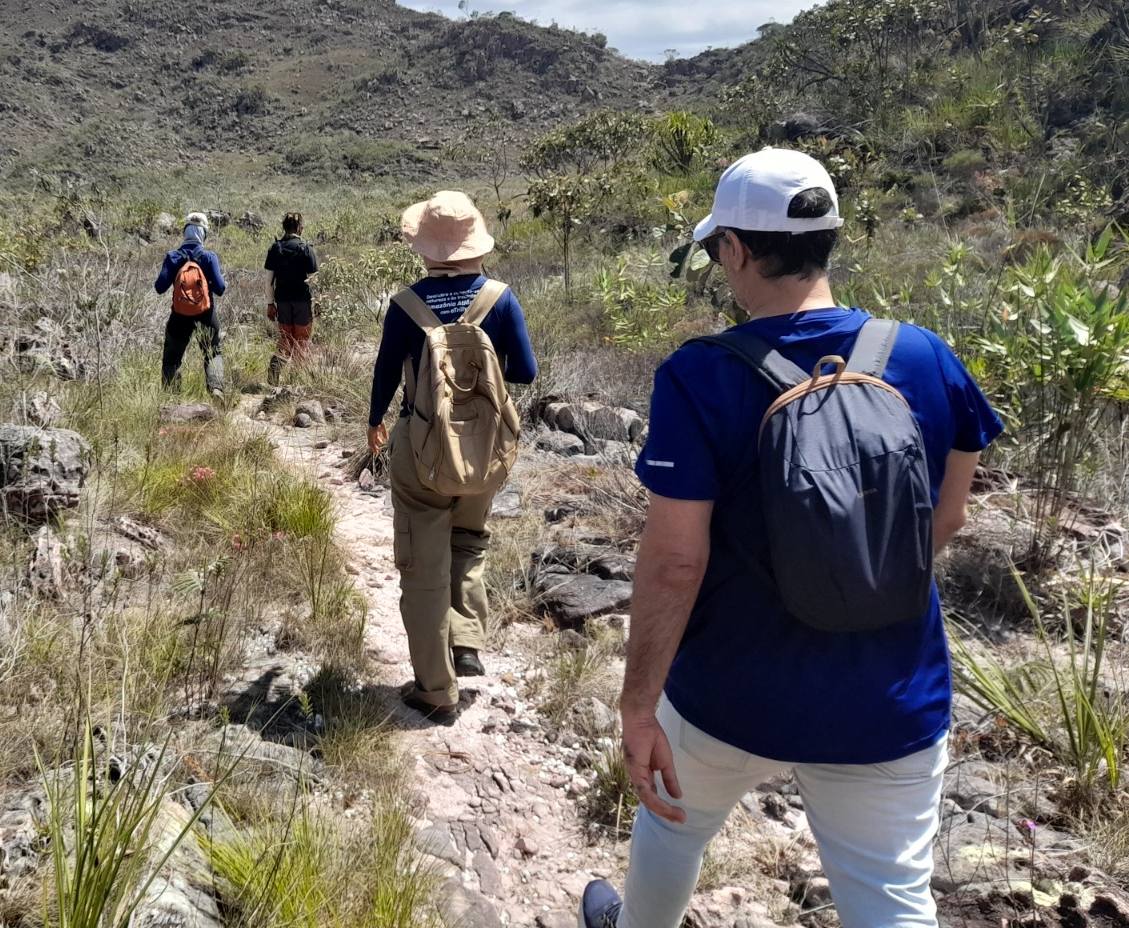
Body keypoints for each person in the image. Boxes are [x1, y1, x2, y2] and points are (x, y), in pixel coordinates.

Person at [579, 149, 1003, 928]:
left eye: (717, 250)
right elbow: (947, 520)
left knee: (673, 826)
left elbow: (675, 559)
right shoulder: (925, 356)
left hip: (730, 691)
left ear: (736, 250)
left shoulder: (698, 374)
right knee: (890, 894)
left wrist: (639, 707)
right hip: (888, 692)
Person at [368, 191, 537, 725]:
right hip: (483, 453)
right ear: (474, 244)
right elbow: (525, 373)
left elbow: (383, 376)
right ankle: (467, 643)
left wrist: (375, 422)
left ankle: (435, 690)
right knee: (468, 539)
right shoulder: (500, 298)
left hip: (420, 452)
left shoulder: (405, 305)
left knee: (423, 566)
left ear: (426, 249)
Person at [154, 212, 227, 395]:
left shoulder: (173, 257)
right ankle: (216, 389)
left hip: (179, 316)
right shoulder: (209, 257)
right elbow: (220, 289)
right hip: (206, 315)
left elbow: (159, 287)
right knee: (213, 353)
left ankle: (172, 397)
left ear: (185, 232)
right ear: (204, 234)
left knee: (172, 360)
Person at [265, 211, 319, 382]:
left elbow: (268, 282)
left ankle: (276, 366)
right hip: (302, 301)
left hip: (282, 301)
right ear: (299, 227)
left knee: (286, 337)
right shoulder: (306, 248)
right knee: (302, 339)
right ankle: (297, 378)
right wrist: (318, 302)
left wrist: (270, 304)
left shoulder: (275, 248)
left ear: (284, 227)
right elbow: (314, 281)